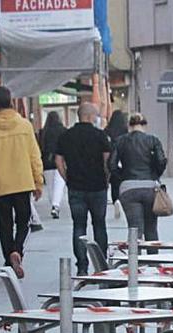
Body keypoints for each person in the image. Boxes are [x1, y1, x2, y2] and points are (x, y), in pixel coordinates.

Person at [0, 86, 43, 279]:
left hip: (1, 185)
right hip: (23, 182)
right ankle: (18, 250)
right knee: (23, 222)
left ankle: (9, 260)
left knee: (5, 225)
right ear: (12, 103)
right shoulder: (25, 126)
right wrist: (38, 182)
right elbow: (35, 156)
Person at [56, 102, 112, 275]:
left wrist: (67, 178)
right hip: (97, 187)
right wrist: (106, 179)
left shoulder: (66, 136)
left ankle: (82, 266)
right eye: (95, 115)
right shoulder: (100, 135)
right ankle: (101, 264)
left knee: (79, 226)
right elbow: (107, 160)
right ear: (89, 116)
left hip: (76, 187)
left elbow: (58, 160)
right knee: (99, 225)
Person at [109, 112, 167, 241]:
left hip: (128, 188)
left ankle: (135, 259)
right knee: (151, 228)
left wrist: (123, 176)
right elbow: (161, 161)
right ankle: (153, 260)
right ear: (145, 125)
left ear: (129, 125)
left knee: (134, 229)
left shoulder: (120, 141)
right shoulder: (153, 140)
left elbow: (112, 165)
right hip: (150, 187)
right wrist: (155, 175)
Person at [38, 111, 68, 219]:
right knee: (59, 185)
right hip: (60, 160)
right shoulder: (64, 130)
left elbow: (40, 147)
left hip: (47, 162)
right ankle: (56, 205)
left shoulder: (43, 132)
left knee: (50, 186)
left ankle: (54, 205)